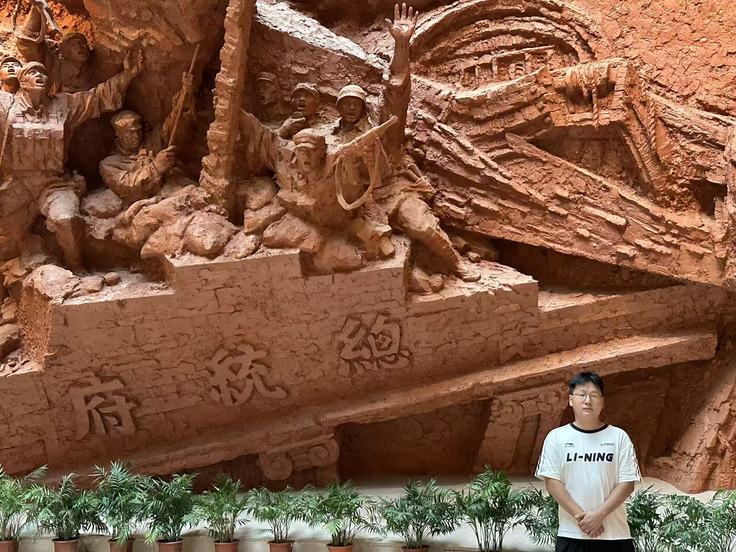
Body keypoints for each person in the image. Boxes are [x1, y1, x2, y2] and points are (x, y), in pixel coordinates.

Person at [331, 3, 480, 282]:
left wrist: (401, 45)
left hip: (394, 191)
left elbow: (396, 91)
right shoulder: (333, 137)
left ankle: (457, 263)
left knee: (421, 225)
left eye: (355, 103)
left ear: (363, 106)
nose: (351, 108)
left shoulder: (381, 127)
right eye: (345, 104)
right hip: (361, 204)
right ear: (338, 108)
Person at [0, 50, 144, 270]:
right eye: (32, 73)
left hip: (54, 183)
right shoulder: (6, 105)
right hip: (18, 183)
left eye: (43, 74)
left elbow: (96, 98)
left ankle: (75, 265)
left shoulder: (62, 104)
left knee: (66, 219)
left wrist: (127, 74)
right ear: (22, 81)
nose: (40, 76)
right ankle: (29, 248)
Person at [535, 372, 641, 552]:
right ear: (571, 400)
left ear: (602, 401)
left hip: (615, 535)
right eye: (582, 394)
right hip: (571, 534)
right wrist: (583, 519)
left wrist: (599, 515)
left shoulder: (619, 437)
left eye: (594, 395)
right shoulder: (556, 437)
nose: (587, 401)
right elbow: (552, 483)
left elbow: (627, 483)